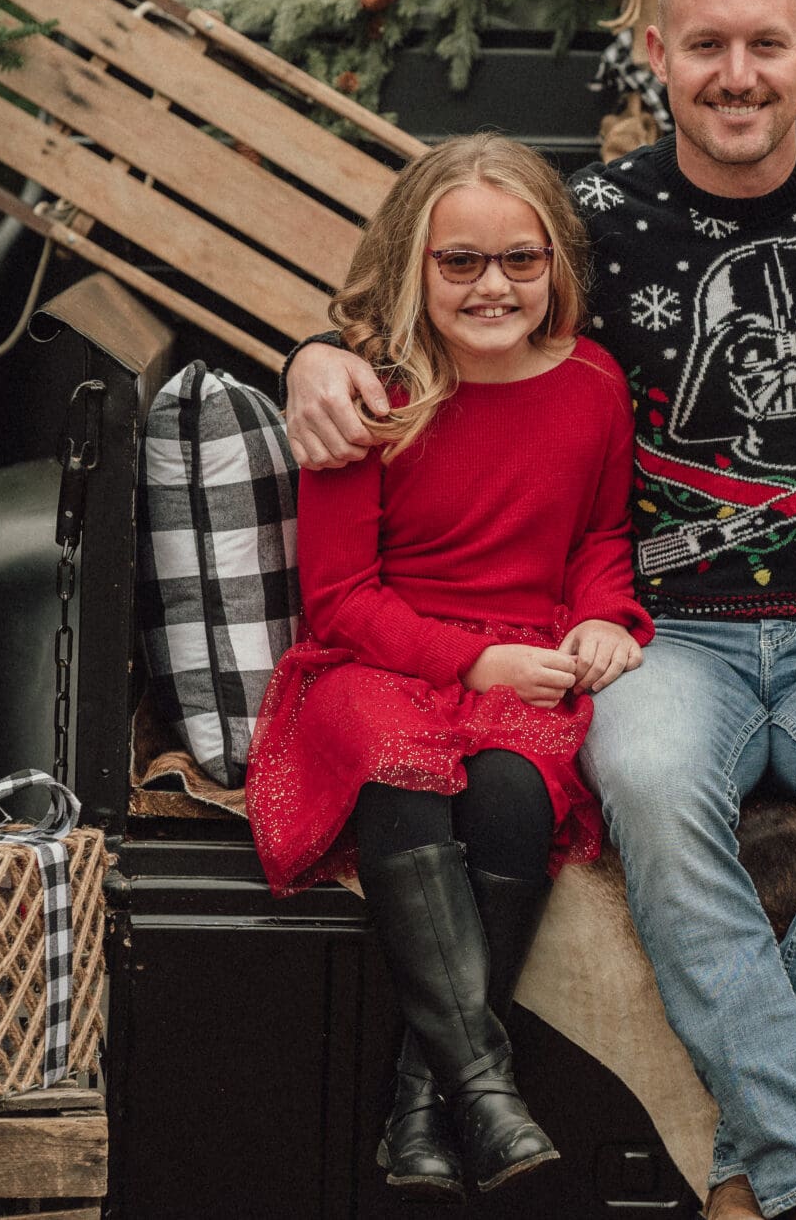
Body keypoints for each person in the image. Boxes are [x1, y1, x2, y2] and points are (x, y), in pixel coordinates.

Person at [285, 0, 796, 1220]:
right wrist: (318, 350)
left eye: (767, 44)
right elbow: (453, 287)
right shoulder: (593, 218)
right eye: (706, 45)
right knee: (645, 779)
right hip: (671, 633)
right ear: (656, 58)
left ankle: (770, 1176)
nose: (738, 73)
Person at [243, 132, 651, 1202]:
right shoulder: (371, 399)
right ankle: (485, 1084)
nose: (492, 285)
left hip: (523, 662)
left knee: (516, 790)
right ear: (413, 266)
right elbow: (340, 598)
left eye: (521, 258)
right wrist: (475, 663)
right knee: (399, 764)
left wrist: (608, 618)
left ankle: (424, 1105)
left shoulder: (595, 384)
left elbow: (601, 539)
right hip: (377, 657)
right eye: (458, 261)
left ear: (557, 262)